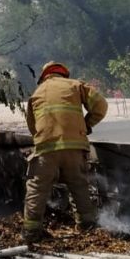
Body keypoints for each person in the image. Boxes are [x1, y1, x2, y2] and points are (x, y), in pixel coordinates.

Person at [22, 61, 108, 244]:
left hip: (46, 150)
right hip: (75, 148)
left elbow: (32, 126)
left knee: (37, 189)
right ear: (63, 74)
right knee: (79, 186)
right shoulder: (75, 85)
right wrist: (87, 124)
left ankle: (31, 233)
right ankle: (88, 227)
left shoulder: (36, 94)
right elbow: (101, 106)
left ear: (44, 76)